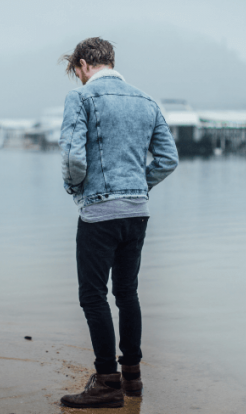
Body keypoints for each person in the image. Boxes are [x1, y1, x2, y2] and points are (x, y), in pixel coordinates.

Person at [57, 37, 179, 408]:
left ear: (82, 64)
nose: (76, 77)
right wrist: (139, 186)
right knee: (127, 294)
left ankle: (107, 382)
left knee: (93, 296)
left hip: (99, 212)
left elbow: (74, 159)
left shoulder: (80, 99)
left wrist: (75, 189)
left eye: (75, 71)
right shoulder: (146, 100)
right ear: (110, 60)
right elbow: (168, 159)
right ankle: (133, 380)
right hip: (137, 212)